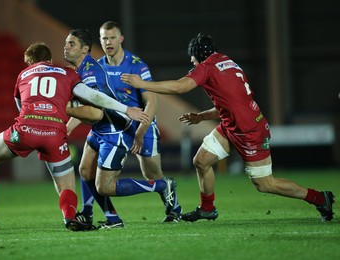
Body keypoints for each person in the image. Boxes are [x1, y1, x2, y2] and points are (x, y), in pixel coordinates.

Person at [121, 33, 335, 222]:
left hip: (250, 132)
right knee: (201, 161)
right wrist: (201, 117)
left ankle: (319, 198)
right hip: (232, 126)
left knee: (265, 184)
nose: (192, 62)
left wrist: (143, 84)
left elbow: (179, 87)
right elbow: (230, 103)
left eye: (192, 58)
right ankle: (207, 209)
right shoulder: (226, 61)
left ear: (198, 55)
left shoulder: (206, 67)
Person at [0, 42, 149, 234]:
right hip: (54, 134)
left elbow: (20, 106)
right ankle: (69, 216)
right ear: (49, 60)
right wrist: (126, 109)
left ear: (30, 63)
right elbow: (93, 96)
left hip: (25, 129)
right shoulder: (67, 73)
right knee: (67, 185)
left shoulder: (23, 75)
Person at [63, 28, 177, 228]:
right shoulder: (88, 67)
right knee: (84, 170)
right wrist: (69, 126)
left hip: (115, 132)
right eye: (66, 43)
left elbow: (96, 111)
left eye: (71, 44)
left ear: (85, 49)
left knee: (107, 186)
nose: (66, 47)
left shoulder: (93, 72)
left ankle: (162, 186)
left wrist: (68, 110)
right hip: (101, 129)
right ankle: (108, 218)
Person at [96, 21, 182, 222]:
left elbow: (151, 102)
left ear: (121, 38)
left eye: (112, 37)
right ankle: (104, 216)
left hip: (141, 126)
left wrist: (141, 132)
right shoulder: (98, 67)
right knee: (99, 175)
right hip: (115, 129)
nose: (108, 42)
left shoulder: (136, 65)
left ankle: (174, 208)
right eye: (104, 38)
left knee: (152, 173)